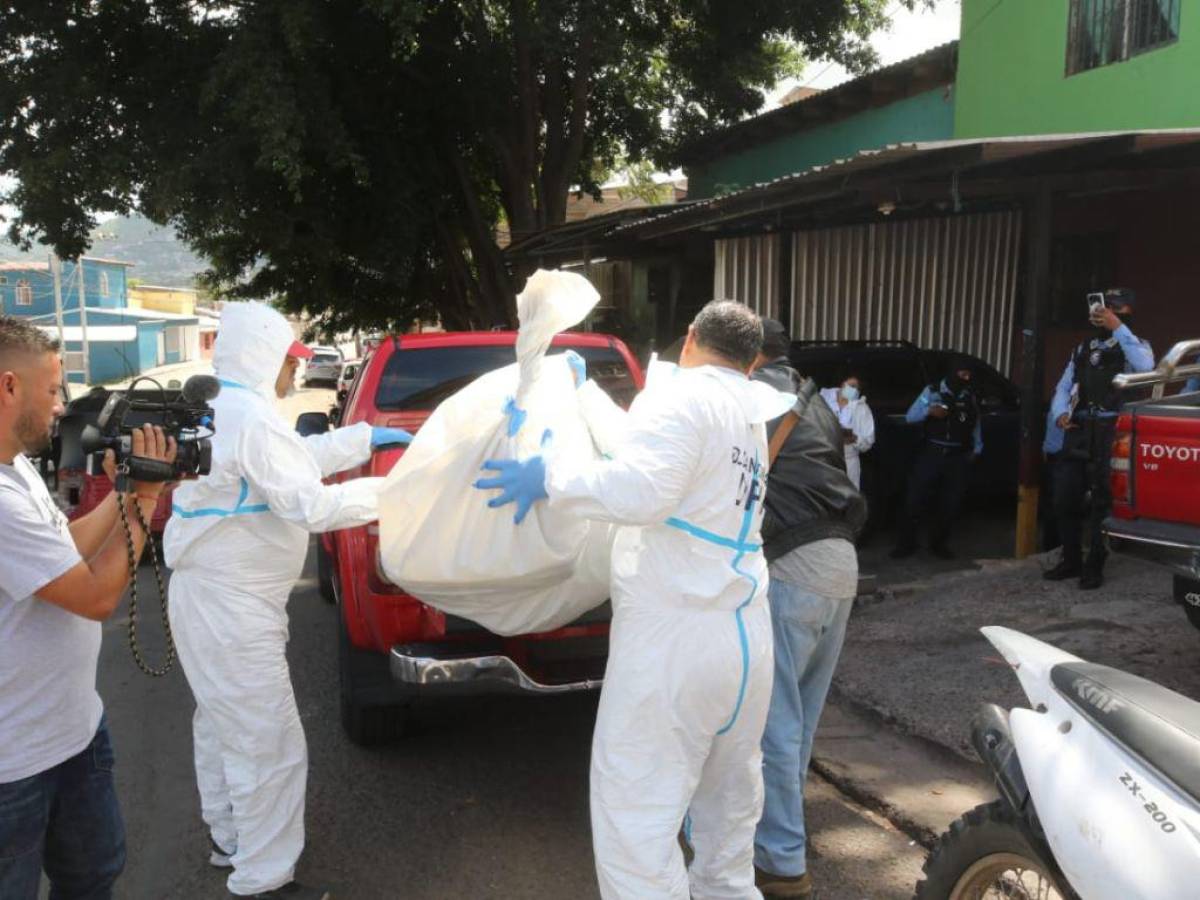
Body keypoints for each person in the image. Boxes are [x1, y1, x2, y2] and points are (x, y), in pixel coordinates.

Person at [476, 300, 784, 899]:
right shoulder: (745, 412)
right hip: (744, 639)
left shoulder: (685, 396)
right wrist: (585, 394)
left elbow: (642, 488)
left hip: (677, 638)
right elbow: (653, 454)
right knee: (727, 824)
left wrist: (552, 480)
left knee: (636, 818)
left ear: (689, 336)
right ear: (751, 362)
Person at [164, 302, 410, 900]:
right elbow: (312, 506)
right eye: (289, 362)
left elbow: (289, 465)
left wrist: (362, 438)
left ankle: (231, 840)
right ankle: (265, 879)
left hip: (207, 596)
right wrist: (401, 489)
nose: (295, 374)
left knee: (221, 727)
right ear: (262, 357)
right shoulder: (249, 416)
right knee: (267, 740)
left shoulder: (226, 408)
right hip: (232, 606)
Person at [0, 316, 174, 900]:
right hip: (14, 763)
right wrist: (146, 502)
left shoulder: (16, 468)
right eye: (53, 389)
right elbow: (96, 597)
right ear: (8, 387)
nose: (62, 406)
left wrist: (126, 492)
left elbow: (63, 552)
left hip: (72, 731)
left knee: (91, 876)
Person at [751, 320, 867, 900]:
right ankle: (783, 834)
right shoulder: (810, 398)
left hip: (792, 564)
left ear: (749, 355)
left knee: (773, 718)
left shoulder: (759, 396)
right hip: (838, 561)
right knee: (800, 716)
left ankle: (780, 859)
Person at [1044, 288, 1153, 590]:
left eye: (1114, 310)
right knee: (1064, 496)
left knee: (1102, 503)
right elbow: (1064, 386)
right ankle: (1070, 559)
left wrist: (1118, 328)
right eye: (1105, 308)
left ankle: (1094, 565)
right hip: (1079, 428)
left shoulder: (1136, 345)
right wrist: (1060, 412)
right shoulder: (1083, 347)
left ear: (1126, 313)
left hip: (1111, 429)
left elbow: (1145, 368)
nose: (1105, 314)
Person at [891, 356, 982, 560]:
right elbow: (910, 416)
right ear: (953, 372)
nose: (966, 377)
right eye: (962, 374)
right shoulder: (931, 391)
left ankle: (939, 544)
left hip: (957, 457)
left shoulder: (969, 395)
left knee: (950, 503)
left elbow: (976, 423)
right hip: (931, 453)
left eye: (969, 374)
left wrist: (977, 448)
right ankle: (906, 544)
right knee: (914, 500)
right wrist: (929, 411)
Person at [819, 371, 875, 490]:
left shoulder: (861, 408)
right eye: (852, 385)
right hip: (824, 460)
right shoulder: (821, 400)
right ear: (841, 383)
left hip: (849, 462)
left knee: (848, 500)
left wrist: (854, 438)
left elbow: (868, 441)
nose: (853, 390)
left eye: (857, 388)